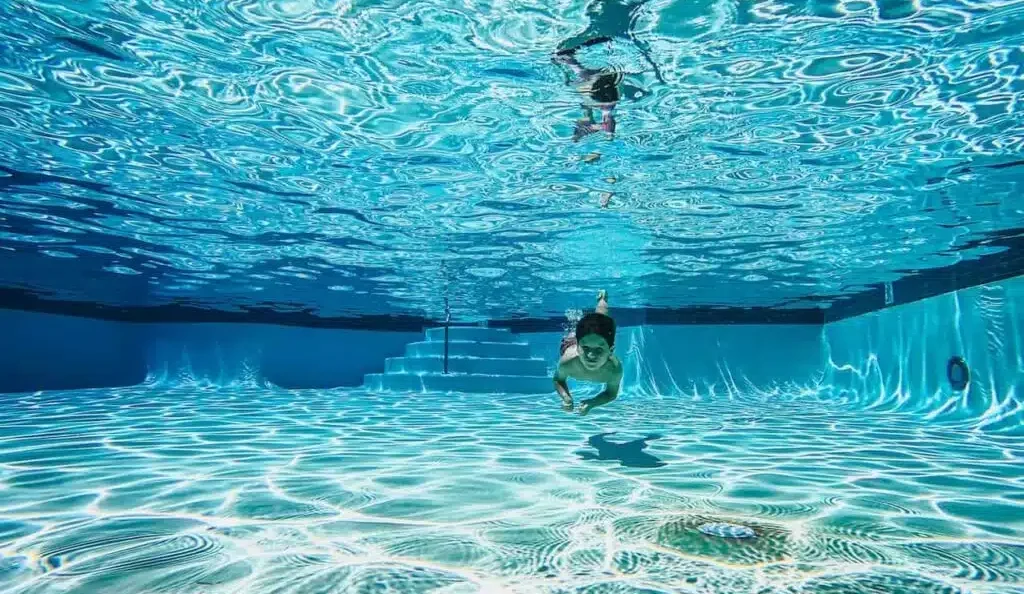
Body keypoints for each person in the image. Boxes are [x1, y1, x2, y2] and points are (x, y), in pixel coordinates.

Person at [553, 290, 624, 415]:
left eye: (599, 350)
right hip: (570, 344)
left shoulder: (614, 369)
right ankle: (601, 300)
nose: (591, 356)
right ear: (578, 347)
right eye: (585, 349)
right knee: (598, 325)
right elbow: (558, 379)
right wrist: (566, 397)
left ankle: (602, 300)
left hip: (591, 342)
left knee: (603, 322)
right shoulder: (568, 361)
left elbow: (611, 393)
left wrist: (593, 403)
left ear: (611, 351)